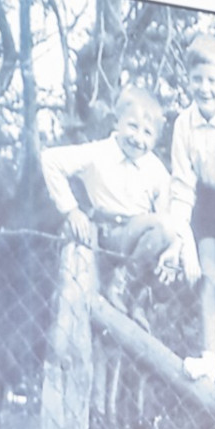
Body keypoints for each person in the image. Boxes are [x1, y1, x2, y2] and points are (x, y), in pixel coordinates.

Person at [158, 34, 215, 405]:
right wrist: (183, 246)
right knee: (208, 278)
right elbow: (182, 187)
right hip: (206, 206)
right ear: (188, 79)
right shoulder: (183, 124)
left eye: (212, 80)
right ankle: (210, 359)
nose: (204, 87)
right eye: (197, 79)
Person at [40, 86, 178, 291]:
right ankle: (117, 287)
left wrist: (173, 248)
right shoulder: (99, 152)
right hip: (106, 235)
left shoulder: (156, 169)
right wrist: (71, 210)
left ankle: (127, 289)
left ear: (155, 139)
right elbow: (50, 160)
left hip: (138, 245)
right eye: (132, 126)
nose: (138, 138)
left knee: (165, 235)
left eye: (147, 133)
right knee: (162, 225)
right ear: (117, 122)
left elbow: (166, 216)